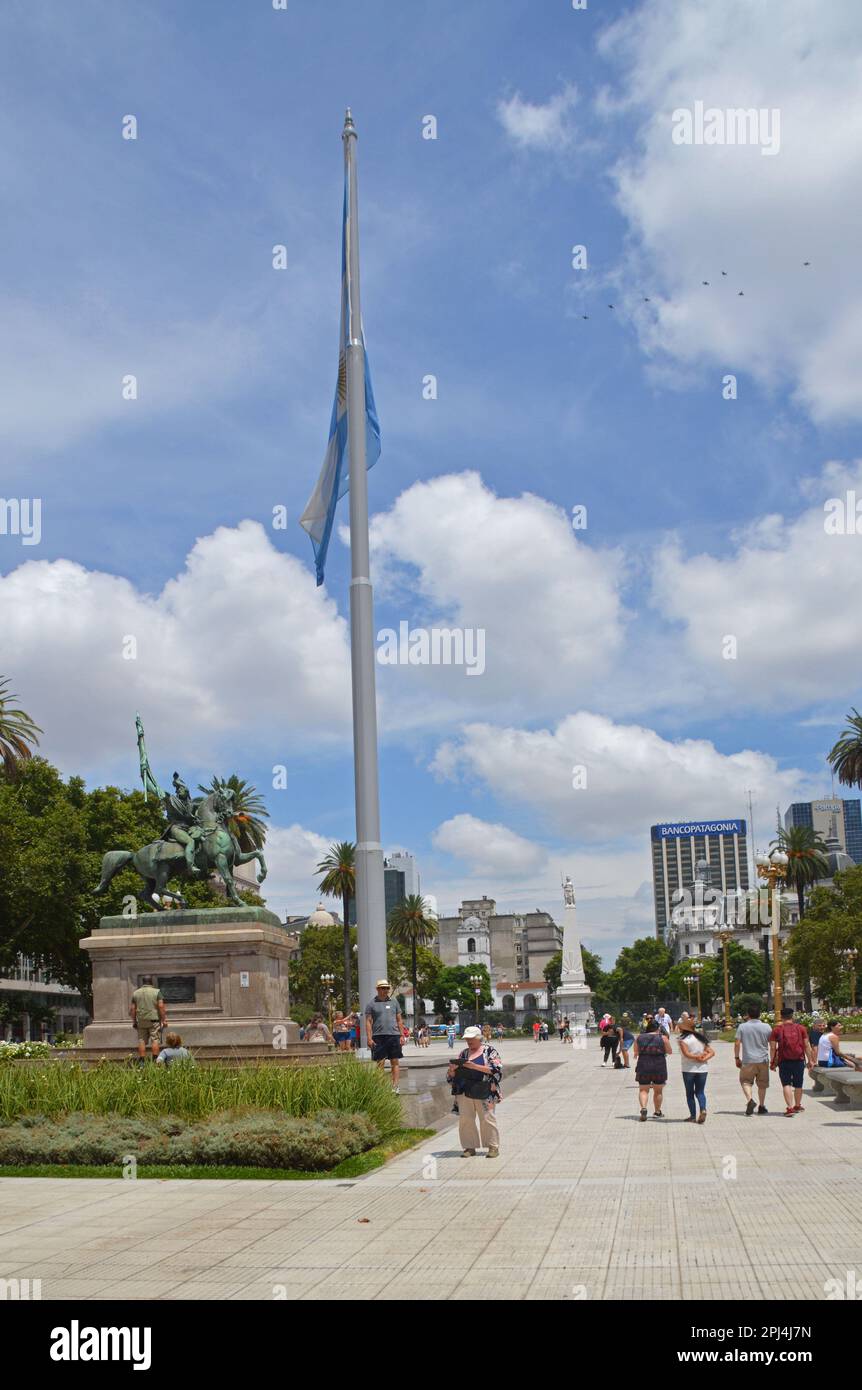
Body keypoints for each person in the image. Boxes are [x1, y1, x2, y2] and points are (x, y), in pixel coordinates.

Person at [447, 1025, 502, 1158]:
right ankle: (469, 1147)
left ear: (479, 1038)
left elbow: (496, 1069)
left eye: (471, 1038)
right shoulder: (463, 1053)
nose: (469, 1041)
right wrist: (452, 1071)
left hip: (484, 1090)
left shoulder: (489, 1051)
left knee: (487, 1118)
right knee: (466, 1119)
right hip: (465, 1091)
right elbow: (451, 1077)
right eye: (467, 1039)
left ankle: (493, 1147)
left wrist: (474, 1066)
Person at [770, 1006, 812, 1116]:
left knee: (786, 1083)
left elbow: (773, 1048)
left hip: (783, 1060)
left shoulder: (777, 1030)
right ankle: (797, 1105)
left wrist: (773, 1062)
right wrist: (810, 1060)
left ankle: (789, 1108)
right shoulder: (801, 1028)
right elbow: (807, 1045)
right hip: (799, 1059)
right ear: (792, 1016)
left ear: (781, 1017)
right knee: (798, 1084)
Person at [364, 979, 404, 1092]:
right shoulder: (371, 1004)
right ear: (377, 989)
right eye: (383, 988)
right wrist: (369, 1038)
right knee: (380, 1063)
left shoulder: (394, 1002)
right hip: (378, 1037)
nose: (385, 990)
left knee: (395, 1061)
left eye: (387, 988)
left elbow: (399, 1020)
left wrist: (402, 1035)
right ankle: (380, 1088)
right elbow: (368, 1022)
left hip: (394, 1036)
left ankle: (395, 1086)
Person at [734, 1005, 772, 1114]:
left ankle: (750, 1100)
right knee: (762, 1084)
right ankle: (761, 1106)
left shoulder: (742, 1027)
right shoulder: (767, 1027)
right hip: (763, 1059)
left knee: (745, 1081)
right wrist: (774, 1057)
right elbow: (772, 1044)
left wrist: (737, 1057)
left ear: (748, 1015)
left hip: (748, 1060)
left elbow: (737, 1043)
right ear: (759, 1015)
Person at [677, 1015, 715, 1123]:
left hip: (688, 1069)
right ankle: (703, 1109)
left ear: (684, 1029)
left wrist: (696, 1057)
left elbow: (686, 1054)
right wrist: (703, 1058)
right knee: (700, 1092)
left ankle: (693, 1116)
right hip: (702, 1069)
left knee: (689, 1093)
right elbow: (712, 1052)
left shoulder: (683, 1040)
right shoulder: (701, 1039)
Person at [634, 1019, 672, 1119]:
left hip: (643, 1065)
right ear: (658, 1028)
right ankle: (657, 1112)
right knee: (658, 1091)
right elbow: (670, 1051)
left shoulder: (639, 1037)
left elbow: (636, 1052)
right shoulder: (663, 1038)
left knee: (643, 1090)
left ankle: (643, 1108)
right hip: (659, 1066)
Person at [130, 975, 167, 1062]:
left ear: (143, 983)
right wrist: (163, 1020)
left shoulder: (136, 993)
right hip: (154, 1020)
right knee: (155, 1040)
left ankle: (142, 1061)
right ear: (151, 982)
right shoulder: (157, 992)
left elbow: (132, 1009)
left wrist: (134, 1021)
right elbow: (161, 1006)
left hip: (141, 1020)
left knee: (141, 1040)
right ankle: (155, 1060)